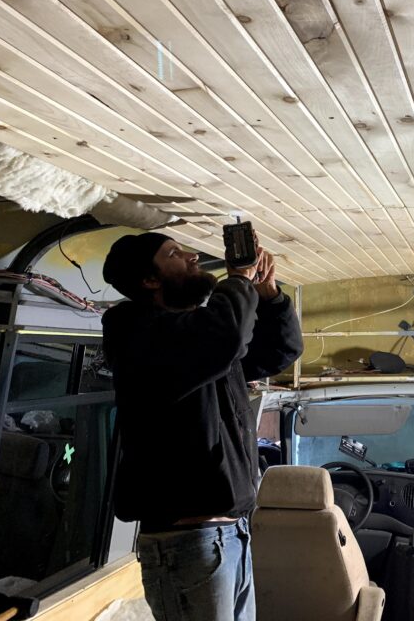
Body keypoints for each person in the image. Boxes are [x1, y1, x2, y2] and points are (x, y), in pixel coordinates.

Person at [101, 231, 302, 621]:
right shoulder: (136, 332)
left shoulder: (194, 342)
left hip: (229, 538)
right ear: (150, 280)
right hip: (187, 546)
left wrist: (269, 296)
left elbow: (280, 351)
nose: (193, 256)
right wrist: (239, 280)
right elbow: (225, 335)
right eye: (175, 253)